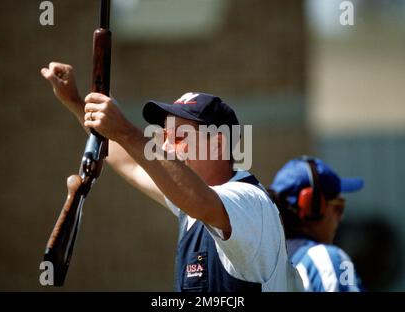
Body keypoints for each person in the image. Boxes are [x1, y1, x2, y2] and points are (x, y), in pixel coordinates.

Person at [40, 62, 303, 292]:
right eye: (164, 138)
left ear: (218, 143)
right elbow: (131, 165)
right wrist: (75, 102)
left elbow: (199, 200)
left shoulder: (249, 202)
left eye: (179, 138)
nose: (164, 148)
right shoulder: (191, 203)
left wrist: (127, 132)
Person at [268, 156, 364, 292]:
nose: (340, 218)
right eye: (338, 207)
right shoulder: (326, 260)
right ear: (312, 207)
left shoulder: (261, 263)